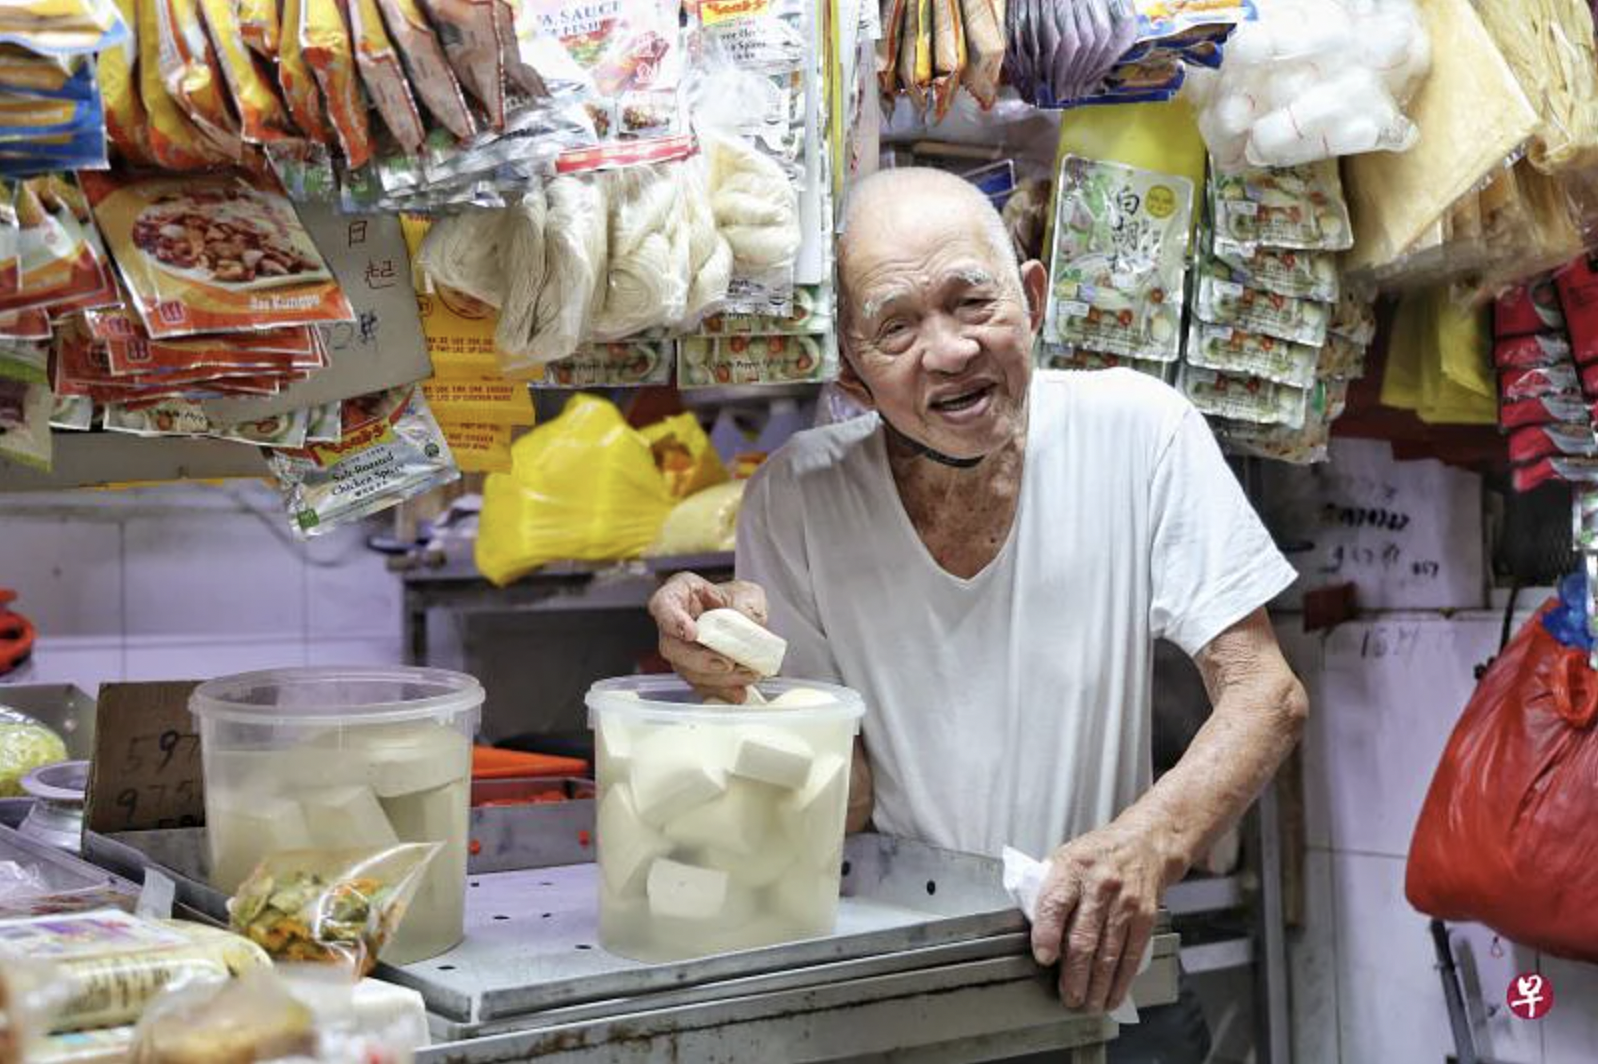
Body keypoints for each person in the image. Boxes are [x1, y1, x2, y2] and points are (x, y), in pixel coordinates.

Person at [647, 167, 1308, 1057]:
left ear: (1032, 299)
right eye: (897, 327)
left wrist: (1147, 845)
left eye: (972, 301)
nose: (951, 351)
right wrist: (734, 680)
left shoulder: (1139, 430)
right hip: (908, 996)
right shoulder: (799, 498)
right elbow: (842, 803)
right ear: (851, 373)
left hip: (1107, 980)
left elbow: (1265, 692)